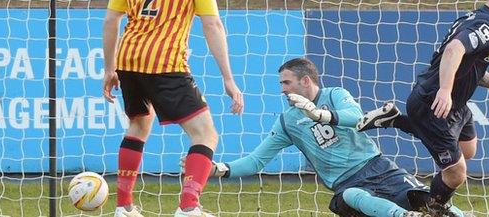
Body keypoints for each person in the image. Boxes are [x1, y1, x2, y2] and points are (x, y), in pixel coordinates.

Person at [189, 58, 466, 217]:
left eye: (287, 83)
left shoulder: (334, 95)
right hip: (348, 185)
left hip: (380, 168)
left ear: (305, 81)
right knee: (351, 196)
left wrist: (320, 114)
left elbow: (355, 116)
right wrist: (218, 169)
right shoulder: (287, 121)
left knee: (432, 202)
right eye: (281, 84)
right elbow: (255, 161)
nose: (283, 90)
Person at [357, 0, 489, 216]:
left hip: (455, 107)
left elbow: (468, 70)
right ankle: (434, 207)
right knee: (456, 172)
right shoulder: (487, 28)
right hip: (432, 104)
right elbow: (453, 50)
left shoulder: (473, 19)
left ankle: (395, 119)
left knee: (467, 150)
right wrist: (445, 91)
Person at [102, 0, 244, 216]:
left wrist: (109, 68)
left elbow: (111, 19)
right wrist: (228, 79)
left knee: (138, 125)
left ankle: (124, 207)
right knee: (205, 134)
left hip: (129, 58)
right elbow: (212, 23)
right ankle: (189, 207)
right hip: (165, 61)